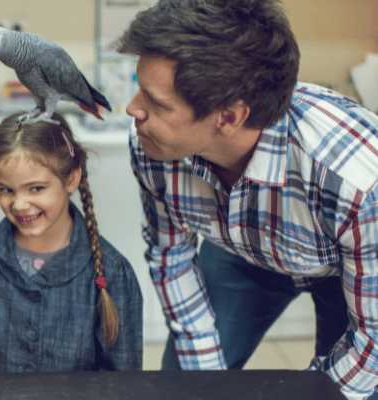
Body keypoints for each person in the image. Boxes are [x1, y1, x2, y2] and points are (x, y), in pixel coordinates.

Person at [118, 0, 378, 399]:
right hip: (240, 252)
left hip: (346, 271)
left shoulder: (358, 181)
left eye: (156, 103)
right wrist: (205, 383)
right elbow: (171, 256)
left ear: (229, 118)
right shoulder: (154, 146)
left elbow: (371, 346)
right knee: (182, 385)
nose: (132, 109)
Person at [0, 112, 143, 373]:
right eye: (6, 190)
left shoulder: (110, 275)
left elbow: (122, 379)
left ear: (71, 178)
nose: (20, 204)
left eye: (36, 188)